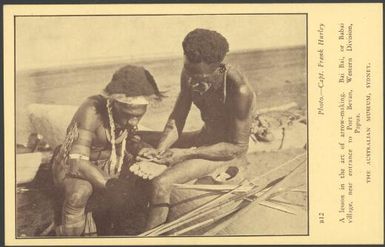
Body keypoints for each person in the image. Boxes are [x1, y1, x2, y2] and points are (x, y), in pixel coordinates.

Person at [136, 28, 257, 230]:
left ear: (218, 67)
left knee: (161, 184)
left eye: (200, 76)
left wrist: (184, 154)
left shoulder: (239, 90)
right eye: (188, 70)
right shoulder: (190, 74)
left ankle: (149, 237)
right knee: (137, 136)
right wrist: (160, 150)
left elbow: (237, 147)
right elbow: (177, 117)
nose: (193, 80)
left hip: (225, 153)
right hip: (203, 138)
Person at [51, 65, 162, 236]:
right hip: (73, 168)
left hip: (107, 167)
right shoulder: (91, 110)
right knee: (79, 194)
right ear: (114, 103)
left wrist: (140, 149)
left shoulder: (126, 117)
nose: (133, 122)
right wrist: (113, 185)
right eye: (128, 114)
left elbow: (125, 140)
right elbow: (77, 162)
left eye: (139, 116)